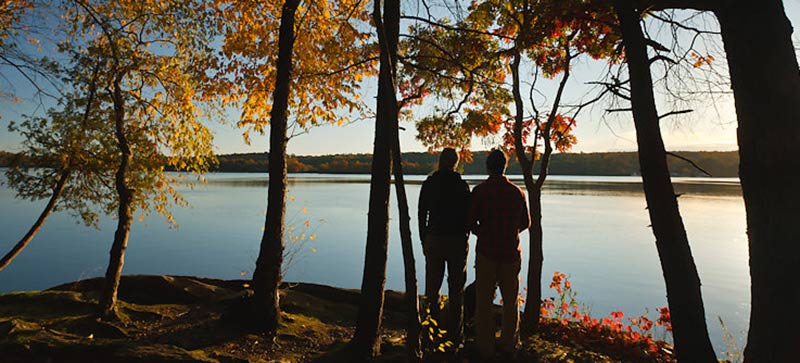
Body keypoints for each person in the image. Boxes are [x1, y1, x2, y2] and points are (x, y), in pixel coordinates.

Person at [468, 149, 530, 360]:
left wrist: (482, 233)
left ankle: (485, 347)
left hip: (486, 253)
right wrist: (509, 233)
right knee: (511, 301)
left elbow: (469, 222)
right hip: (511, 253)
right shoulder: (517, 192)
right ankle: (508, 344)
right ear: (505, 166)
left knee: (483, 302)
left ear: (488, 166)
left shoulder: (479, 191)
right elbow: (526, 223)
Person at [418, 147, 471, 346]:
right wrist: (465, 234)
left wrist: (424, 239)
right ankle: (455, 337)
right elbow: (469, 215)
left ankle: (430, 334)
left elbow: (421, 214)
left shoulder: (430, 184)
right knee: (456, 291)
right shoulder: (462, 185)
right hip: (457, 241)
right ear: (455, 163)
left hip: (434, 240)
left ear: (440, 161)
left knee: (432, 289)